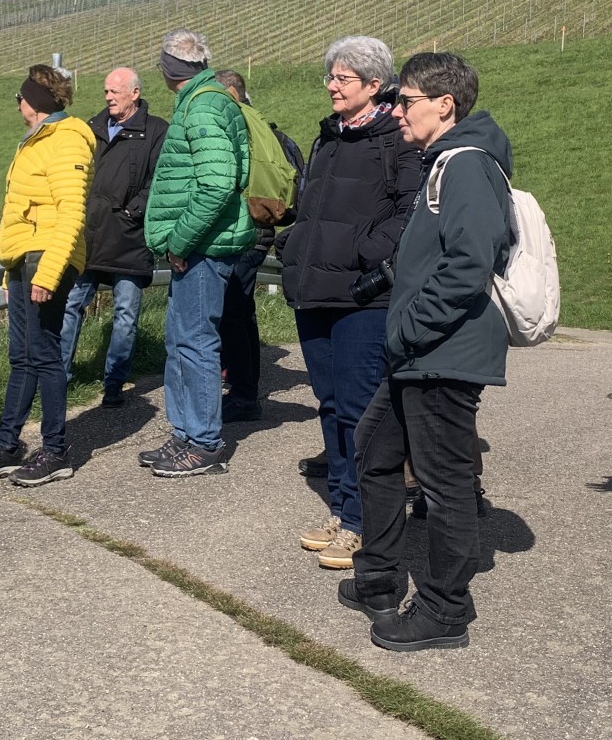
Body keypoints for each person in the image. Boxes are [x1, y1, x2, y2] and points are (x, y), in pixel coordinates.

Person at [340, 52, 514, 652]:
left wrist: (409, 328)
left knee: (445, 483)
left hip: (442, 350)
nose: (396, 111)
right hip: (419, 351)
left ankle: (445, 611)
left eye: (406, 100)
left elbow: (470, 262)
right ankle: (379, 578)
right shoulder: (444, 162)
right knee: (375, 452)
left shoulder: (466, 165)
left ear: (445, 105)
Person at [277, 37, 422, 572]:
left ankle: (366, 522)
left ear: (374, 84)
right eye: (331, 77)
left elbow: (409, 210)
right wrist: (293, 243)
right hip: (314, 290)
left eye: (343, 78)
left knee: (361, 412)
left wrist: (368, 253)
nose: (332, 86)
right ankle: (342, 511)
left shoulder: (397, 139)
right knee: (331, 404)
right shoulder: (328, 136)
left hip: (364, 297)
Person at [0, 65, 95, 487]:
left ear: (34, 102)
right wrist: (12, 276)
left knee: (44, 354)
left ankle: (56, 451)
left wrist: (48, 272)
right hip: (26, 259)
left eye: (19, 97)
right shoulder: (36, 140)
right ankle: (8, 446)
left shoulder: (66, 141)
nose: (17, 104)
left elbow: (71, 213)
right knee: (22, 357)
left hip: (47, 259)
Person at [139, 30, 256, 477]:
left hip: (203, 248)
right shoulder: (199, 101)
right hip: (200, 245)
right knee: (181, 342)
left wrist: (179, 241)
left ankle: (203, 443)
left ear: (169, 68)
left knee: (196, 343)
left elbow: (217, 185)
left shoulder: (204, 105)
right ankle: (185, 435)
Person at [59, 67, 166, 408]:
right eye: (106, 91)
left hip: (129, 238)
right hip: (90, 234)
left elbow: (159, 180)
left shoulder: (156, 131)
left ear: (134, 93)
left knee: (125, 314)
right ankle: (58, 379)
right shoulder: (91, 128)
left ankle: (114, 383)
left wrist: (134, 211)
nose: (108, 97)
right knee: (71, 305)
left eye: (114, 91)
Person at [215, 68, 304, 425]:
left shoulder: (238, 126)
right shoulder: (265, 127)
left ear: (230, 94)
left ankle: (243, 396)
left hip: (242, 229)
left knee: (232, 313)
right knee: (241, 312)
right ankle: (245, 389)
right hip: (262, 225)